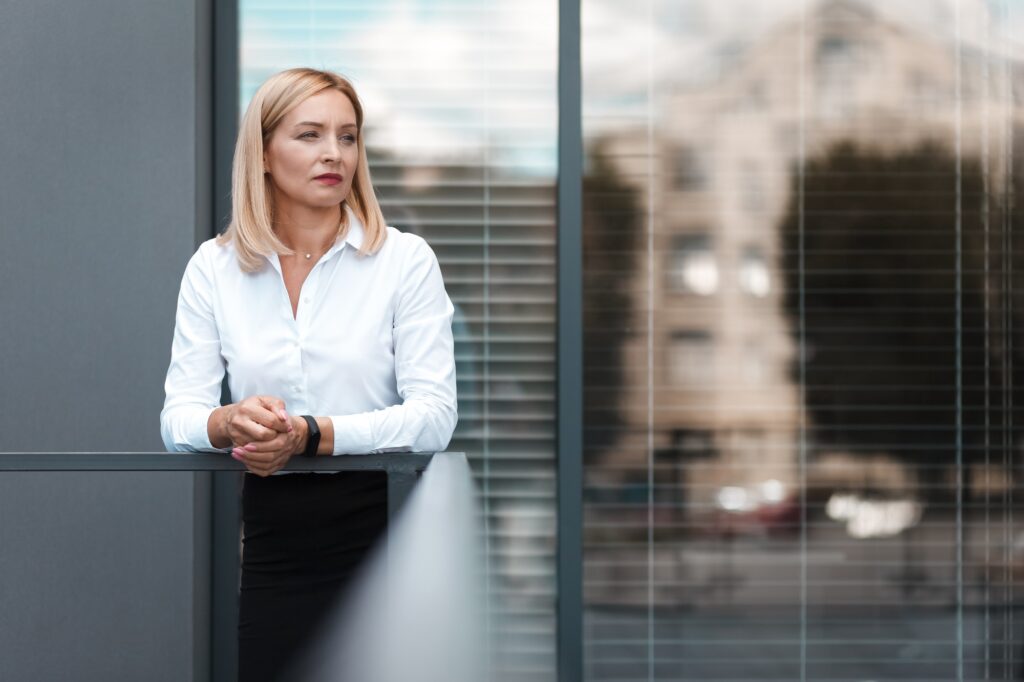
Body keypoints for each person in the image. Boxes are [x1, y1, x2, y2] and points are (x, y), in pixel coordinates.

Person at [159, 67, 458, 682]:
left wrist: (311, 434)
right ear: (263, 153)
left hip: (390, 529)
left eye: (348, 137)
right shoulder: (214, 268)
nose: (334, 154)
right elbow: (177, 419)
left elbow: (434, 417)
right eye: (310, 135)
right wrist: (228, 421)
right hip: (276, 537)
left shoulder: (404, 260)